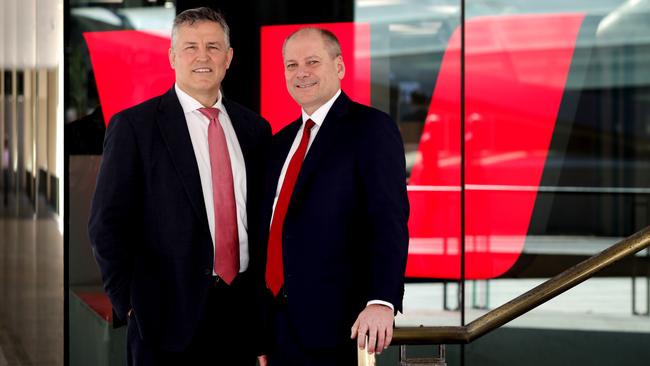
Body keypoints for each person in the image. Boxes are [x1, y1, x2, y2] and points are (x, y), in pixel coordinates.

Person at [88, 7, 271, 366]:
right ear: (172, 57)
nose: (202, 56)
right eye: (190, 47)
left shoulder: (255, 130)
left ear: (229, 57)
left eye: (213, 46)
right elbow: (105, 226)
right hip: (164, 319)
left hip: (240, 316)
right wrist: (129, 304)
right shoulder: (135, 128)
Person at [261, 27, 410, 365]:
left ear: (339, 67)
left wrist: (381, 300)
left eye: (313, 61)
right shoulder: (279, 143)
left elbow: (388, 220)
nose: (301, 72)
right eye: (291, 64)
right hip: (277, 328)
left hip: (338, 328)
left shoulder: (371, 129)